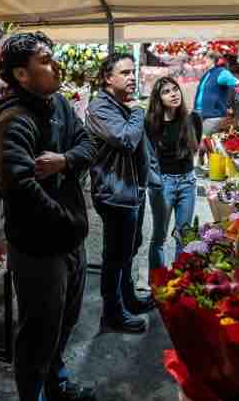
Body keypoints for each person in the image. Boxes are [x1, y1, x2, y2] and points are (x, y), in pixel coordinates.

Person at [0, 32, 97, 401]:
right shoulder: (15, 121)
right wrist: (68, 222)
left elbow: (88, 144)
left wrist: (65, 160)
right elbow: (20, 188)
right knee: (38, 331)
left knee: (65, 321)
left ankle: (58, 384)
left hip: (69, 239)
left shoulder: (61, 105)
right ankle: (33, 394)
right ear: (22, 74)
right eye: (45, 60)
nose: (55, 66)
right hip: (39, 247)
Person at [86, 53, 158, 335]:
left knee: (130, 248)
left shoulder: (120, 104)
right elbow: (126, 140)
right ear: (108, 78)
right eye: (125, 72)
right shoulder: (100, 107)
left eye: (133, 72)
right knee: (115, 256)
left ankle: (128, 299)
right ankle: (112, 313)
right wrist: (139, 111)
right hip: (115, 193)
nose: (131, 77)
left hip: (132, 191)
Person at [145, 76, 201, 271]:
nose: (173, 94)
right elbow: (148, 155)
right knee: (159, 237)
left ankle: (179, 281)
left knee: (184, 235)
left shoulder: (192, 119)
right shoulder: (152, 124)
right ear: (158, 99)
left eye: (175, 89)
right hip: (163, 184)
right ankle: (157, 283)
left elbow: (194, 149)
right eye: (166, 92)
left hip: (188, 181)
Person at [193, 52, 239, 137]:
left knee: (202, 141)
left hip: (213, 116)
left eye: (205, 59)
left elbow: (237, 83)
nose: (202, 61)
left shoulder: (221, 72)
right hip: (201, 114)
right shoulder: (208, 74)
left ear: (212, 60)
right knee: (198, 141)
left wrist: (230, 105)